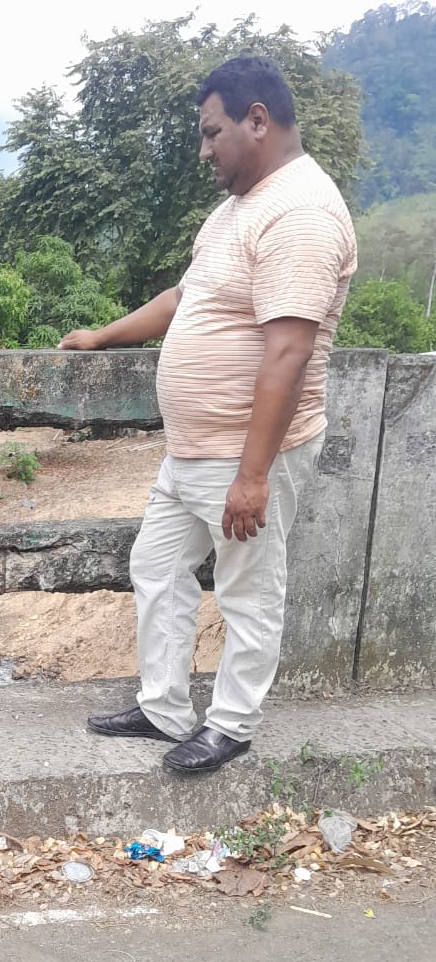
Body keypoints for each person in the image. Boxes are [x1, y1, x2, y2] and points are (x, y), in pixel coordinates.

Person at [59, 56, 357, 774]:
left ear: (257, 121)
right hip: (194, 449)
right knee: (157, 566)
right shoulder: (237, 210)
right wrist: (102, 336)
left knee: (248, 588)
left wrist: (252, 476)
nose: (203, 151)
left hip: (244, 453)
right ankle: (164, 707)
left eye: (210, 132)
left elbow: (288, 351)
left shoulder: (301, 213)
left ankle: (232, 725)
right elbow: (182, 299)